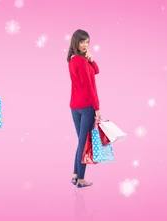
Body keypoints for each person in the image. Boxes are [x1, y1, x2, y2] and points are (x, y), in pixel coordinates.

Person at [67, 29, 100, 188]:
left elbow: (96, 71)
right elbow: (89, 88)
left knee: (81, 142)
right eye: (82, 42)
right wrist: (97, 108)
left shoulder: (73, 60)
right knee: (84, 143)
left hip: (74, 107)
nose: (85, 45)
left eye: (87, 42)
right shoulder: (81, 61)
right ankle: (81, 179)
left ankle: (75, 174)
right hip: (87, 107)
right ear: (76, 42)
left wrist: (91, 60)